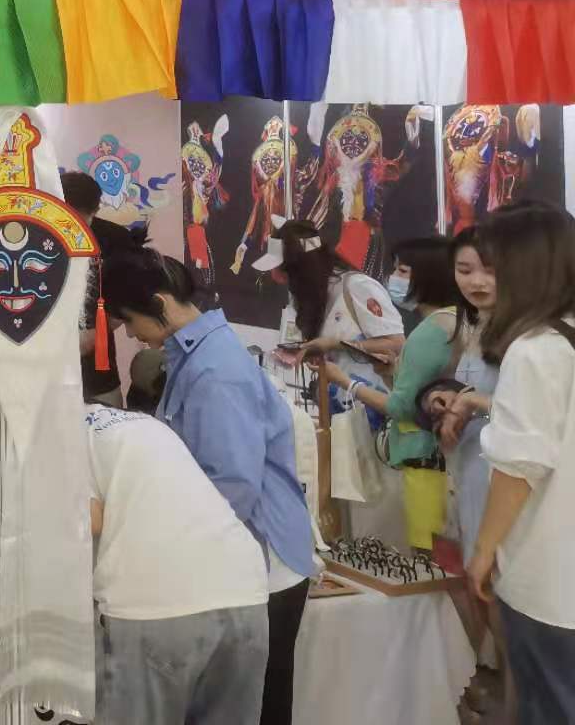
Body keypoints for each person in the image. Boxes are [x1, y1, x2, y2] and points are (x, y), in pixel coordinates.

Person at [100, 247, 316, 725]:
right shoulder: (192, 355)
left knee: (258, 708)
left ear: (159, 303)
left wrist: (167, 548)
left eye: (130, 320)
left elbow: (232, 487)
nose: (130, 333)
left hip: (260, 562)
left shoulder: (215, 371)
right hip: (233, 555)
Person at [450, 203, 575, 724]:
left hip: (550, 580)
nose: (485, 278)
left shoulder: (537, 349)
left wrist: (482, 552)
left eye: (495, 263)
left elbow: (520, 466)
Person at [84, 402, 270, 724]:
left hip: (157, 606)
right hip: (243, 592)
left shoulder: (56, 437)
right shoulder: (137, 423)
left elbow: (89, 520)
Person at [253, 217, 406, 543]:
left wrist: (336, 344)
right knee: (345, 519)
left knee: (376, 521)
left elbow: (396, 344)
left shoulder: (357, 288)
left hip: (374, 420)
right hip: (337, 420)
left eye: (286, 273)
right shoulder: (314, 296)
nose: (283, 282)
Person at [319, 236, 460, 550]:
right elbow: (420, 396)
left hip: (425, 461)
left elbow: (401, 407)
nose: (394, 278)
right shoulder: (449, 321)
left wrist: (346, 382)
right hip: (434, 458)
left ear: (429, 274)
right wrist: (390, 375)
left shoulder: (430, 332)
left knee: (426, 554)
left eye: (403, 271)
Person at [60, 170, 136, 404]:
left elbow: (131, 294)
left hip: (98, 359)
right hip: (50, 360)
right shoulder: (36, 236)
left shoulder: (116, 238)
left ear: (95, 210)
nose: (73, 228)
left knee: (107, 417)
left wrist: (98, 333)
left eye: (80, 219)